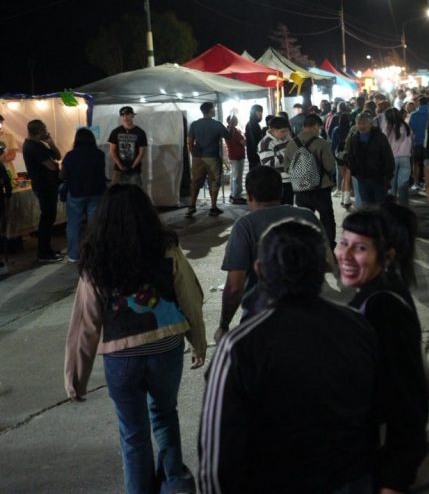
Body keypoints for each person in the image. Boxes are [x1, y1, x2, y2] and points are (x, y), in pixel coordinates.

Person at [199, 221, 381, 493]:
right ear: (324, 268)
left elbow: (217, 458)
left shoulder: (240, 347)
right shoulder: (358, 327)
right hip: (352, 480)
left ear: (259, 270)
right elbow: (382, 412)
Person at [65, 184, 206, 494]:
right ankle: (175, 485)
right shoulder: (166, 247)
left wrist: (76, 377)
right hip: (166, 347)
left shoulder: (94, 258)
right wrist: (198, 340)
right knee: (165, 416)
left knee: (133, 433)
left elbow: (85, 323)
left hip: (121, 356)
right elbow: (190, 295)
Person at [338, 205, 429, 492]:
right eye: (343, 243)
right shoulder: (377, 295)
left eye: (360, 248)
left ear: (386, 254)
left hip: (375, 470)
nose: (345, 255)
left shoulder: (383, 307)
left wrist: (393, 483)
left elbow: (408, 404)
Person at [217, 166, 332, 340]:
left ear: (249, 195)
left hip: (260, 323)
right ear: (281, 191)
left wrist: (224, 325)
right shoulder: (307, 216)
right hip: (310, 318)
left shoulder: (245, 226)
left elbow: (234, 288)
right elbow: (329, 263)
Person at [283, 113, 337, 246]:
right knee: (327, 220)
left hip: (300, 189)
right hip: (321, 189)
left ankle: (307, 248)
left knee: (304, 222)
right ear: (316, 126)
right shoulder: (322, 143)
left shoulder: (291, 144)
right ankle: (328, 248)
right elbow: (330, 167)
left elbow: (287, 168)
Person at [60, 127, 107, 263]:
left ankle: (74, 255)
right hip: (96, 192)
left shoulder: (70, 155)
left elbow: (63, 175)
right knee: (95, 224)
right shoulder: (99, 154)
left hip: (76, 192)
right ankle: (95, 253)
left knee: (74, 224)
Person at [22, 119, 63, 263]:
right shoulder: (33, 147)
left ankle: (46, 249)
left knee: (48, 217)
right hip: (44, 186)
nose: (46, 132)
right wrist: (56, 167)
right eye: (44, 129)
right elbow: (52, 165)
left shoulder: (38, 144)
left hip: (47, 186)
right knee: (47, 218)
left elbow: (58, 156)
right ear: (38, 131)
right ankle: (44, 252)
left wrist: (51, 142)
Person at [343, 112, 395, 207]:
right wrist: (355, 171)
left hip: (379, 178)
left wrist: (387, 175)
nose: (361, 126)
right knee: (366, 205)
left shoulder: (380, 137)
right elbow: (350, 157)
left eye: (364, 123)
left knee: (380, 205)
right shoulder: (354, 139)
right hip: (362, 178)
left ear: (370, 124)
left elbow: (388, 157)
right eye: (359, 123)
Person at [186, 102, 230, 217]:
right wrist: (231, 126)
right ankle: (213, 207)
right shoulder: (217, 124)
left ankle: (192, 205)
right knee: (214, 181)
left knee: (195, 181)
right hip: (212, 157)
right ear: (210, 110)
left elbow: (190, 141)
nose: (215, 110)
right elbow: (228, 136)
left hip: (197, 158)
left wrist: (193, 154)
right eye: (214, 109)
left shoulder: (195, 124)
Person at [258, 116, 294, 205]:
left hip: (290, 180)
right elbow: (268, 163)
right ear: (273, 130)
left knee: (289, 207)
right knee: (278, 208)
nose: (286, 133)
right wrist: (287, 155)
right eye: (283, 131)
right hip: (276, 182)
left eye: (287, 131)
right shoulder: (265, 143)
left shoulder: (287, 137)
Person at [108, 106, 147, 186]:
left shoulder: (140, 132)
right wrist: (120, 166)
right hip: (118, 169)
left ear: (132, 115)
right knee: (115, 191)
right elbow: (112, 151)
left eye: (127, 114)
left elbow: (141, 153)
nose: (125, 117)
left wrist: (133, 166)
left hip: (135, 169)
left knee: (136, 191)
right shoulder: (115, 132)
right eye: (123, 115)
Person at [383, 107, 413, 205]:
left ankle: (392, 208)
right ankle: (404, 208)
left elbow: (384, 145)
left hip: (392, 159)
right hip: (406, 158)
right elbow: (412, 141)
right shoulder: (407, 127)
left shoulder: (387, 129)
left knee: (391, 186)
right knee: (403, 186)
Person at [408, 95, 429, 192]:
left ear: (418, 103)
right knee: (428, 165)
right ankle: (427, 185)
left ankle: (416, 183)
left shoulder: (413, 115)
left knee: (416, 164)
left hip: (417, 142)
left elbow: (410, 130)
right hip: (428, 143)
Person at [225, 115, 247, 204]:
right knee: (237, 177)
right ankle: (236, 197)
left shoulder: (227, 131)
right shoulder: (235, 132)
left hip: (232, 156)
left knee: (233, 176)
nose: (237, 121)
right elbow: (244, 143)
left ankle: (233, 194)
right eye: (236, 120)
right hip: (238, 156)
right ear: (232, 122)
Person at [244, 104, 264, 171]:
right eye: (260, 112)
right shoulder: (253, 124)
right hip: (255, 155)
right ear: (256, 112)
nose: (261, 115)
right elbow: (254, 142)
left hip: (253, 154)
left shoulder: (252, 123)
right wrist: (258, 155)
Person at [0, 113, 19, 179]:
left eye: (1, 123)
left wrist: (3, 157)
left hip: (7, 172)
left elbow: (12, 156)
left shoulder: (9, 136)